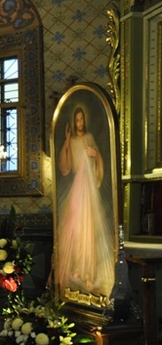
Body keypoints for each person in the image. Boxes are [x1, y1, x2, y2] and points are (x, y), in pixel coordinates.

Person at [56, 106, 115, 297]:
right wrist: (66, 143)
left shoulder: (89, 138)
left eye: (82, 120)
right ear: (74, 122)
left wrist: (95, 154)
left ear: (84, 121)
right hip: (77, 189)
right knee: (76, 228)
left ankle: (88, 271)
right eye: (77, 120)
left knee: (89, 228)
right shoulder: (71, 141)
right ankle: (78, 270)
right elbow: (65, 168)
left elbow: (99, 161)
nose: (79, 123)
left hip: (88, 188)